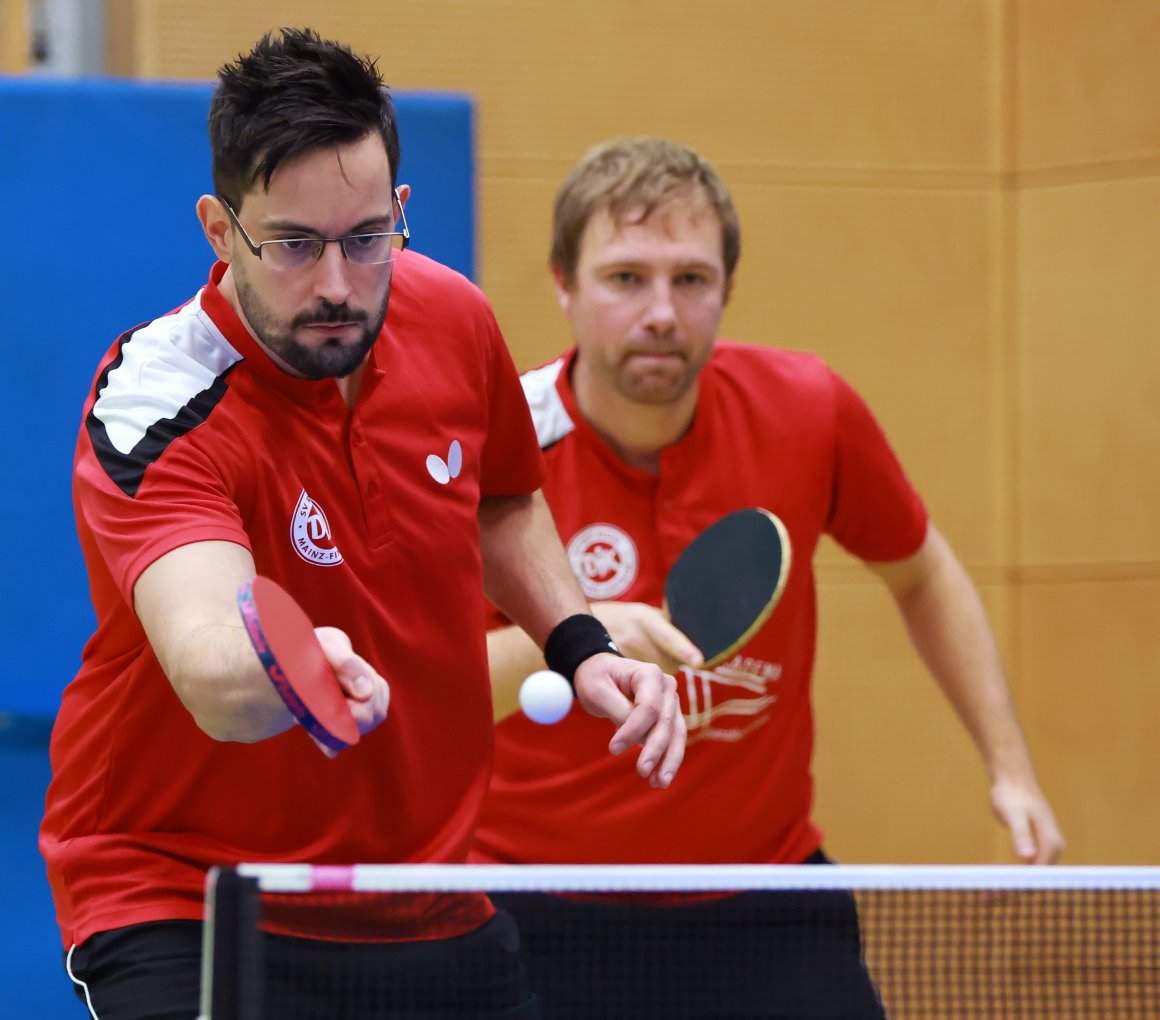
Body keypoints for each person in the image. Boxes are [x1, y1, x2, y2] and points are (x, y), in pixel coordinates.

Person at [39, 34, 685, 1020]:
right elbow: (209, 659)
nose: (337, 283)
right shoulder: (158, 400)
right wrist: (291, 666)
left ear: (400, 214)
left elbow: (502, 497)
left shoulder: (451, 322)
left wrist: (578, 640)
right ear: (220, 230)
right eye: (292, 244)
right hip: (193, 893)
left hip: (422, 890)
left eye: (366, 237)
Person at [473, 136, 1065, 1017]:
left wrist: (1010, 767)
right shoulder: (493, 446)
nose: (662, 312)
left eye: (692, 279)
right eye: (626, 278)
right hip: (528, 903)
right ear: (562, 282)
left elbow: (923, 572)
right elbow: (433, 690)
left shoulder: (808, 413)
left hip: (763, 900)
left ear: (727, 290)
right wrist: (578, 642)